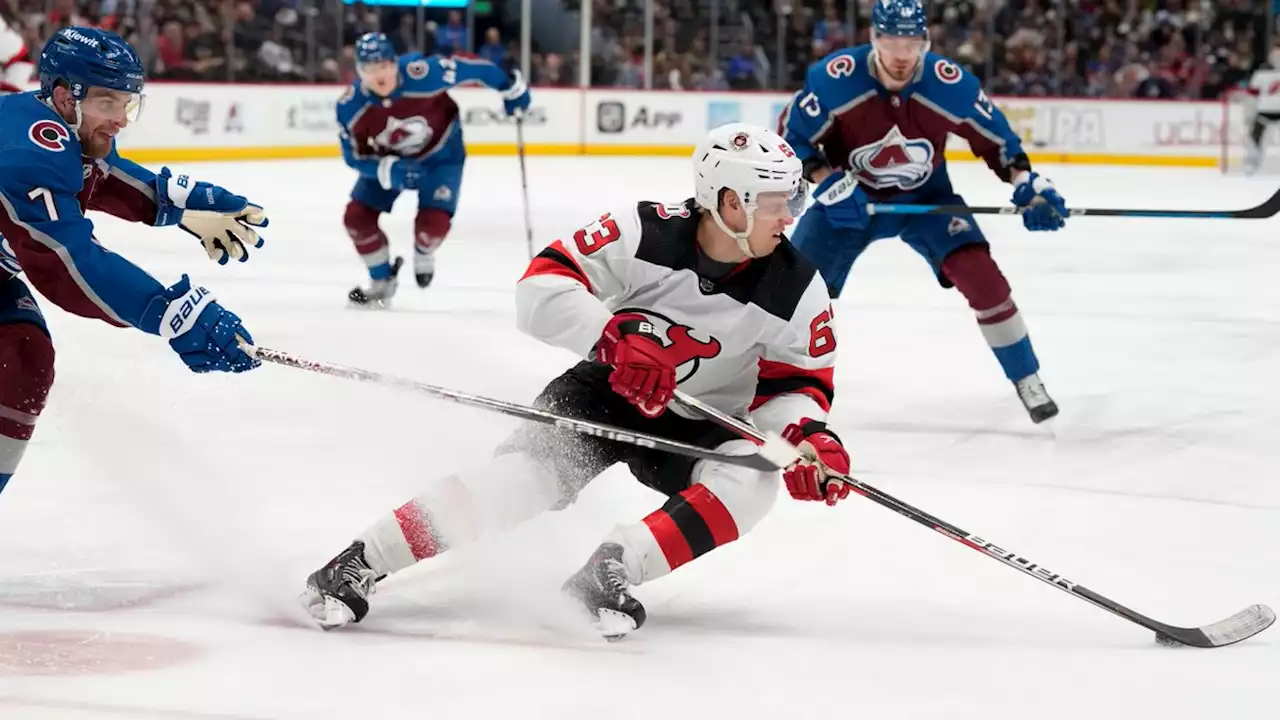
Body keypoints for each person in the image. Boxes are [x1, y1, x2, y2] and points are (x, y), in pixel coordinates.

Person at [302, 123, 852, 639]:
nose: (791, 217)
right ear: (731, 202)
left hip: (703, 419)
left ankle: (609, 571)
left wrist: (805, 438)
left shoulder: (798, 288)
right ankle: (361, 560)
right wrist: (610, 337)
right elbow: (538, 289)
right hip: (605, 392)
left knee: (751, 484)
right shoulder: (643, 229)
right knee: (521, 482)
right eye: (779, 203)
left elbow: (794, 387)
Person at [0, 27, 267, 494]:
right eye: (108, 102)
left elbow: (105, 176)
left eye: (127, 102)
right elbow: (66, 263)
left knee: (24, 355)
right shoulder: (27, 152)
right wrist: (167, 312)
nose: (121, 118)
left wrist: (185, 206)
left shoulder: (57, 128)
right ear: (65, 97)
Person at [779, 0, 1068, 423]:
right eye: (890, 40)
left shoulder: (949, 84)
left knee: (984, 279)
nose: (901, 54)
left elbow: (997, 141)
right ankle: (763, 382)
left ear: (926, 42)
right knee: (791, 289)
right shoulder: (835, 79)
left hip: (925, 199)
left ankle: (1027, 377)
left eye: (911, 41)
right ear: (873, 39)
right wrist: (827, 181)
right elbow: (792, 139)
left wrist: (1026, 182)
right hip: (850, 201)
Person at [337, 32, 531, 307]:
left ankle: (423, 252)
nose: (378, 75)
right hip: (392, 161)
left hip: (442, 158)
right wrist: (387, 170)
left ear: (394, 63)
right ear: (359, 72)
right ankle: (381, 283)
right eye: (369, 69)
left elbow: (472, 69)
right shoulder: (350, 106)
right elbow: (353, 156)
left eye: (383, 66)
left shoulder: (422, 74)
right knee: (356, 218)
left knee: (432, 228)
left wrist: (509, 87)